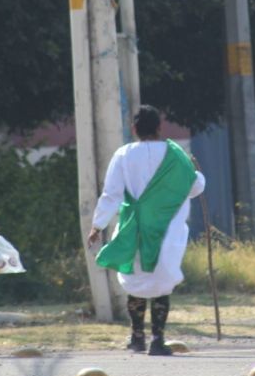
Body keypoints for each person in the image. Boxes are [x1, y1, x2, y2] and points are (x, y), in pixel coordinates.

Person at [87, 105, 206, 356]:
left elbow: (111, 194)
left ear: (134, 129)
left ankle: (137, 337)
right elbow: (195, 187)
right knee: (162, 283)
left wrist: (98, 225)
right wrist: (196, 172)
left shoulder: (123, 154)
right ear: (159, 128)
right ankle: (157, 340)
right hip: (167, 230)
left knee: (135, 281)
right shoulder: (177, 155)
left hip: (135, 228)